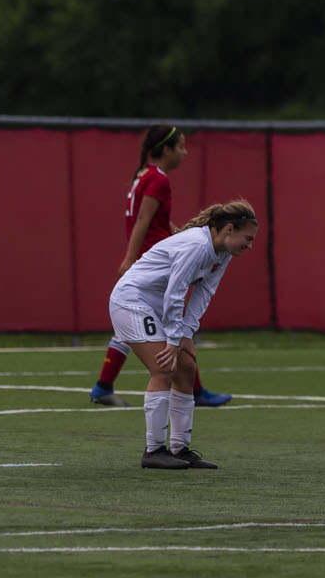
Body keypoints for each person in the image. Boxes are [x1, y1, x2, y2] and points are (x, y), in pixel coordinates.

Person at [107, 200, 260, 469]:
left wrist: (186, 332)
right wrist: (175, 339)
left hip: (154, 304)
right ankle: (153, 451)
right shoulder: (197, 245)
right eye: (247, 238)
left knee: (187, 366)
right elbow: (176, 292)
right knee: (164, 368)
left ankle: (180, 448)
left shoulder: (222, 252)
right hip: (130, 301)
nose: (249, 245)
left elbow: (204, 293)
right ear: (228, 229)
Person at [89, 124, 233, 409]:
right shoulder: (159, 179)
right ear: (165, 149)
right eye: (180, 146)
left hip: (150, 255)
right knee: (175, 317)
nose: (184, 152)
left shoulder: (143, 176)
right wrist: (130, 257)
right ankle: (195, 389)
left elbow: (155, 218)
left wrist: (178, 233)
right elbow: (144, 220)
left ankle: (104, 385)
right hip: (155, 261)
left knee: (131, 326)